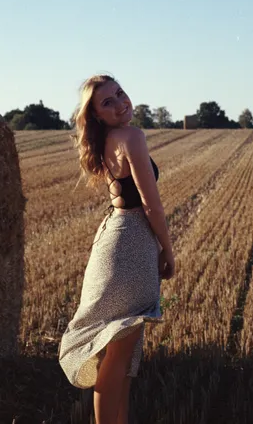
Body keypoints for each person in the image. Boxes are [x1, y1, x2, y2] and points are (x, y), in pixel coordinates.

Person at [58, 74, 175, 424]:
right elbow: (152, 205)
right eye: (107, 102)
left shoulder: (108, 140)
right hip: (132, 244)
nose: (120, 102)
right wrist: (167, 249)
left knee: (120, 353)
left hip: (114, 238)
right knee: (120, 354)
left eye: (120, 94)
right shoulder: (132, 137)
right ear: (95, 115)